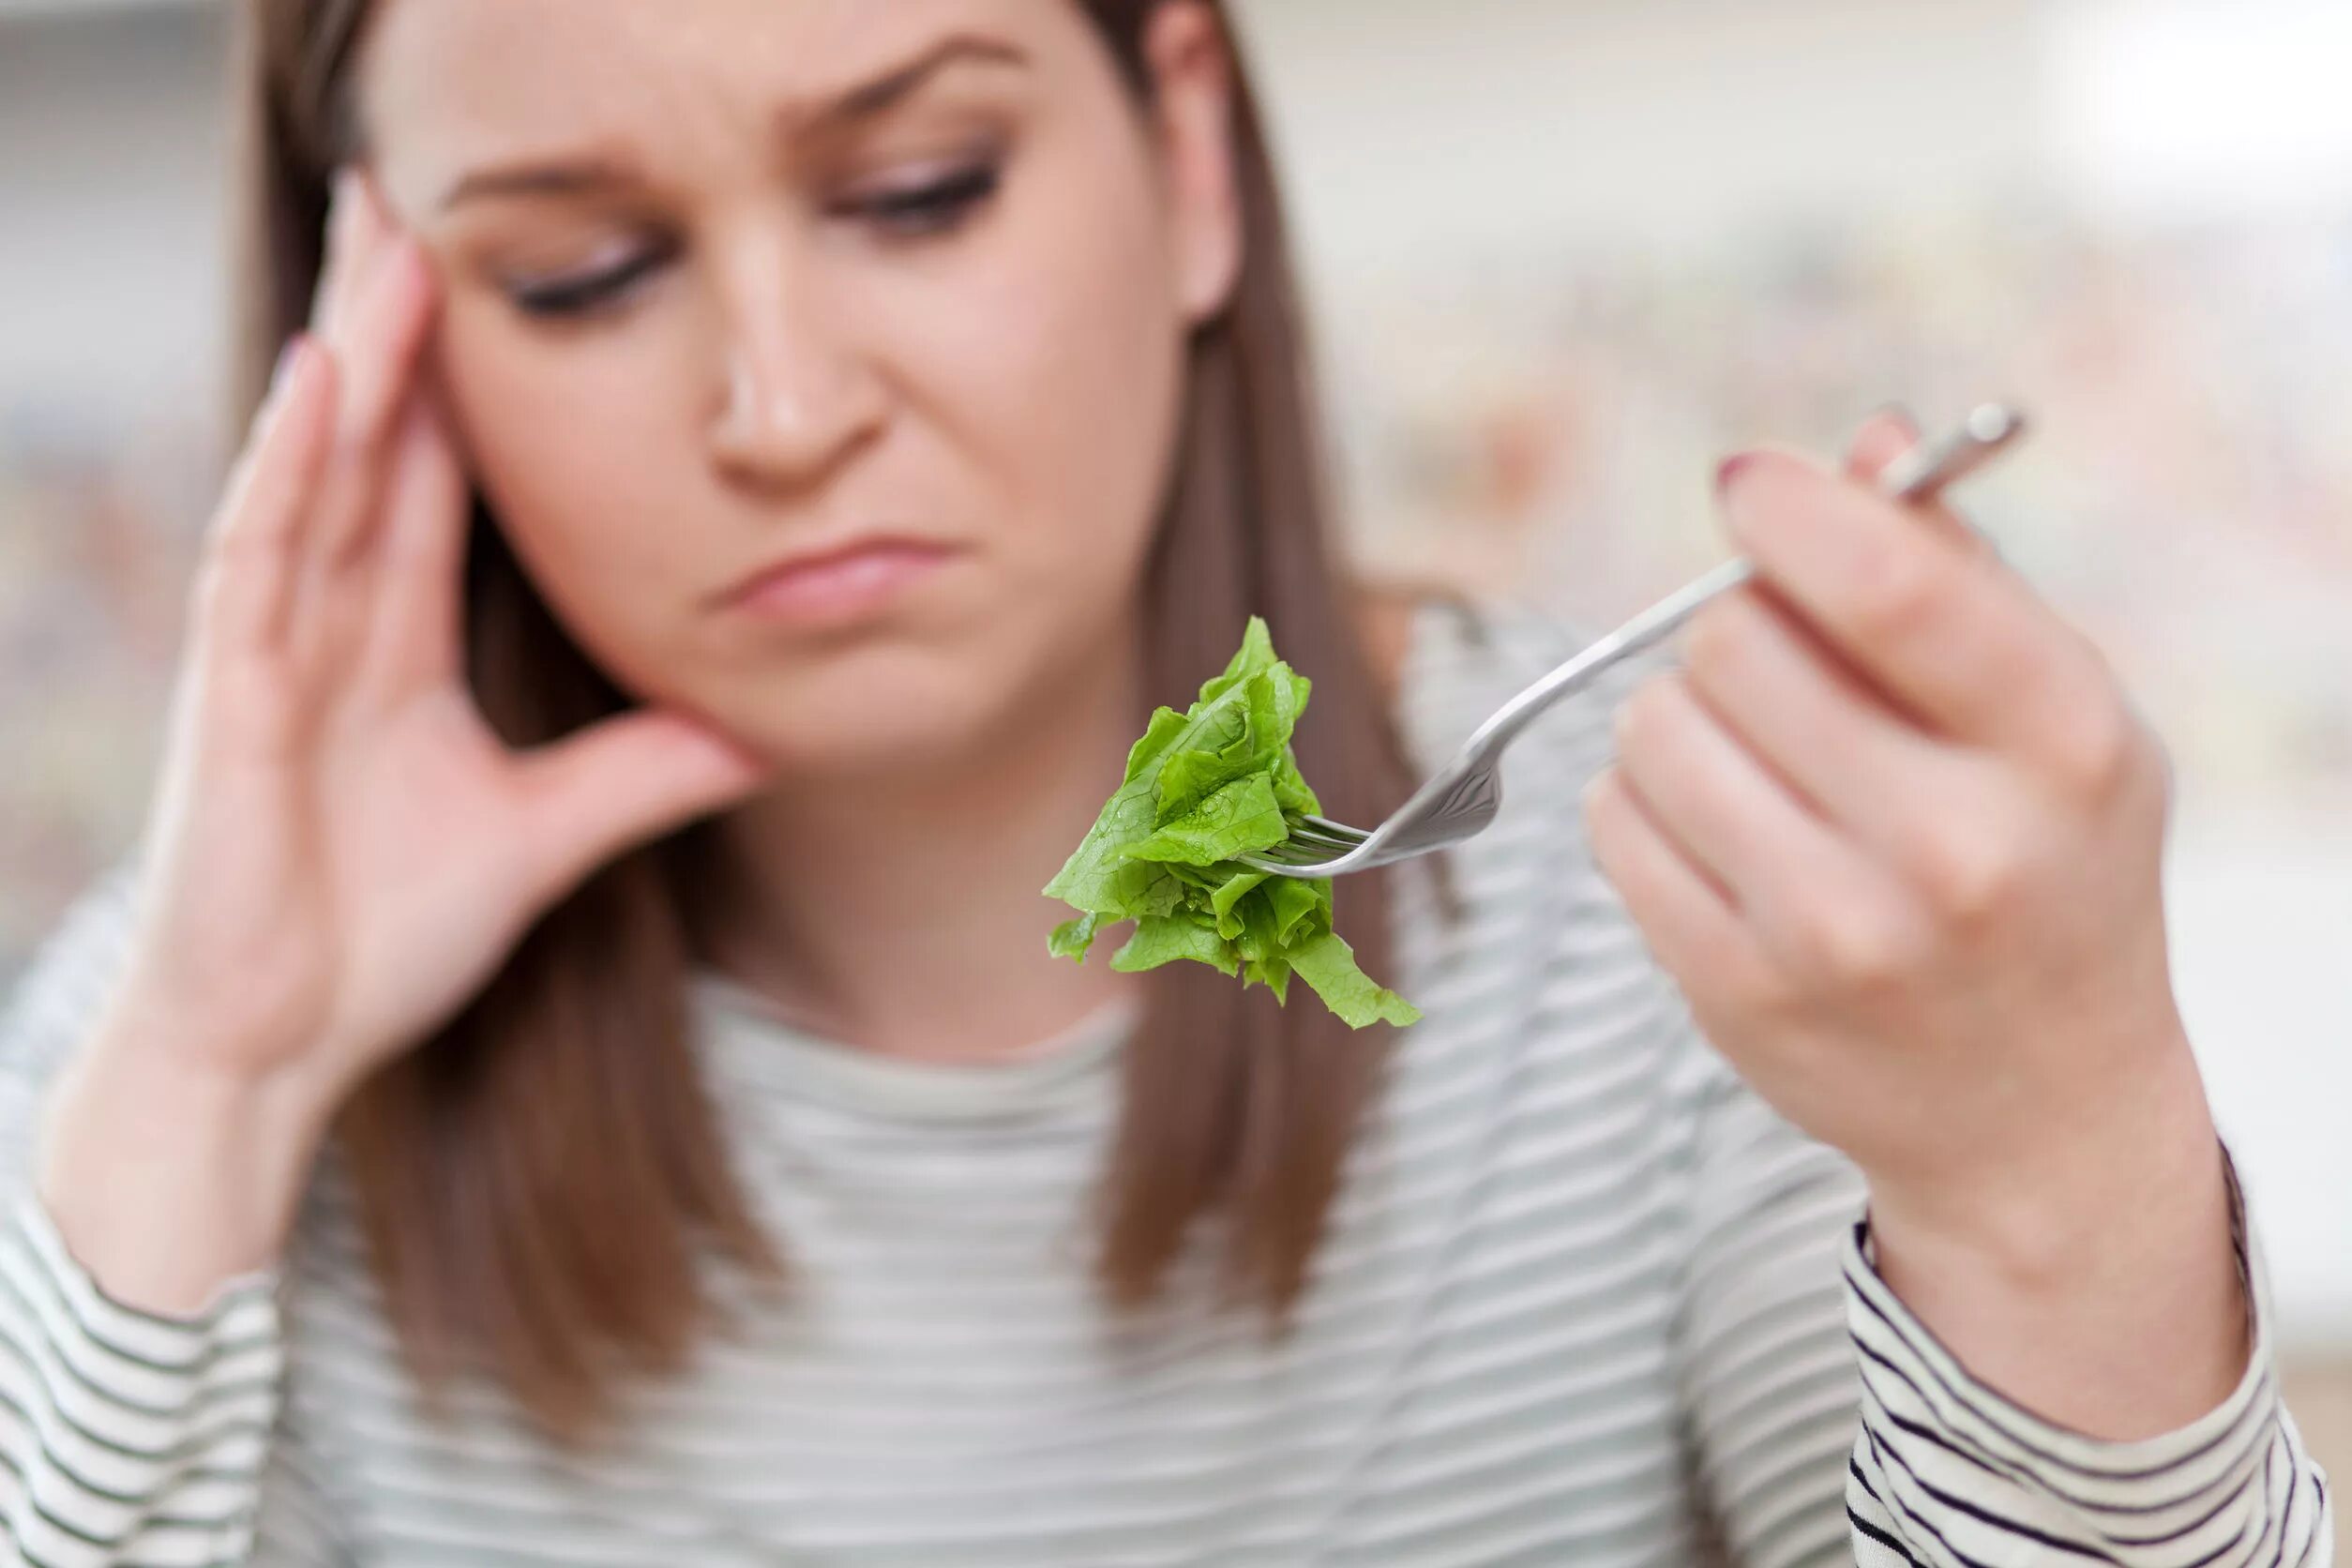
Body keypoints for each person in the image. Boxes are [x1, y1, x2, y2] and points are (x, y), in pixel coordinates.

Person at [0, 0, 2330, 1562]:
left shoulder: (1686, 893)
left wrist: (2056, 1185)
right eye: (588, 271)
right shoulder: (190, 1033)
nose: (783, 406)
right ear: (378, 333)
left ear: (1189, 146)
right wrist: (203, 1078)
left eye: (918, 187)